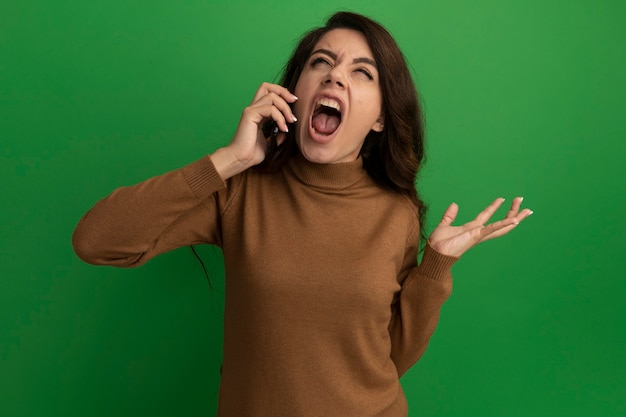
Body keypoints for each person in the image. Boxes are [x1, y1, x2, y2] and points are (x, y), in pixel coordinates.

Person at [72, 11, 532, 417]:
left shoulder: (397, 213)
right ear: (293, 90)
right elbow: (95, 241)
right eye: (321, 63)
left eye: (362, 73)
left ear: (380, 118)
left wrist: (434, 268)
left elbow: (388, 358)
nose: (335, 77)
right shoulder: (241, 191)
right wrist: (228, 160)